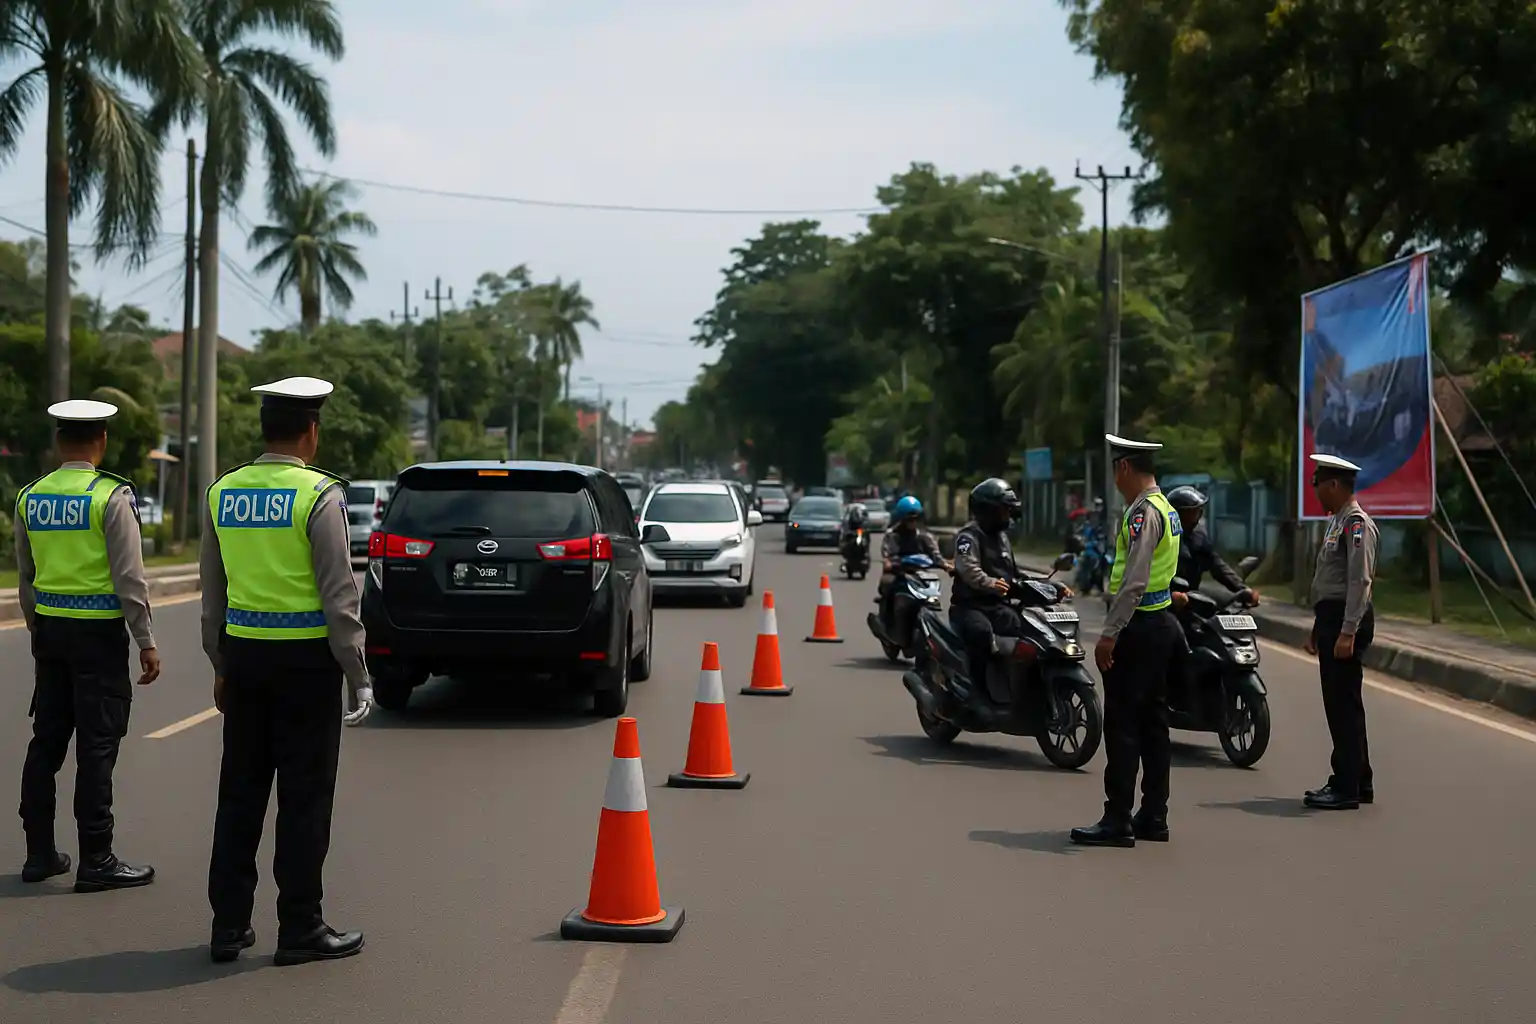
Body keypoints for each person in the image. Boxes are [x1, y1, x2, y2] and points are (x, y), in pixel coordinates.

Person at [201, 376, 374, 966]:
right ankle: (300, 927)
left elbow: (213, 591)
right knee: (303, 799)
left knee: (240, 791)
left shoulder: (223, 491)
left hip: (245, 657)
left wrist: (220, 662)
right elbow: (339, 594)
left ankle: (228, 926)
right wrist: (358, 670)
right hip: (306, 665)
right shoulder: (318, 495)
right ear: (311, 431)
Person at [14, 400, 161, 891]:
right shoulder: (110, 496)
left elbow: (27, 577)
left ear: (60, 442)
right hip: (98, 638)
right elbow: (129, 577)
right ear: (101, 440)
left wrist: (39, 630)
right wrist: (145, 640)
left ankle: (38, 853)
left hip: (51, 633)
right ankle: (96, 858)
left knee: (47, 740)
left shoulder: (30, 496)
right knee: (97, 747)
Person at [1071, 435, 1184, 848]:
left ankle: (1117, 818)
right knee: (1154, 724)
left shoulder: (1142, 514)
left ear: (1123, 468)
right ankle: (1154, 815)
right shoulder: (1167, 509)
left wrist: (1109, 634)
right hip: (1160, 624)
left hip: (1137, 628)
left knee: (1123, 725)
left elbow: (1133, 582)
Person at [1301, 453, 1379, 810]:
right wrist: (1321, 627)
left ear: (1334, 485)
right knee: (1346, 702)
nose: (1314, 490)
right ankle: (1359, 779)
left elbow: (1359, 580)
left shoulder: (1356, 523)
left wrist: (1348, 631)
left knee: (1341, 706)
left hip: (1349, 621)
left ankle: (1345, 785)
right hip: (1334, 619)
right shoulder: (1338, 521)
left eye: (1317, 483)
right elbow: (1331, 581)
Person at [949, 479, 1068, 693]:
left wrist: (1052, 585)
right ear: (988, 511)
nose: (1008, 516)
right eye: (1004, 510)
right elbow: (968, 569)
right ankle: (976, 691)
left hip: (999, 607)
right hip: (970, 608)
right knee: (982, 635)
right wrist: (990, 583)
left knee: (1036, 632)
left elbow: (1016, 573)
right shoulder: (968, 537)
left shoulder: (1002, 538)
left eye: (1008, 510)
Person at [1165, 485, 1258, 606]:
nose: (1199, 515)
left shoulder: (1198, 536)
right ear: (1178, 513)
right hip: (1164, 602)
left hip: (1191, 597)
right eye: (1193, 511)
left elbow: (1216, 564)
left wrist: (1242, 589)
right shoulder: (1161, 537)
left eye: (1199, 510)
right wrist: (1169, 595)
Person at [878, 496, 948, 621]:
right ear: (902, 519)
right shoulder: (892, 535)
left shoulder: (925, 536)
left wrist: (947, 566)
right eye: (909, 519)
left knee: (933, 587)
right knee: (887, 583)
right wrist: (891, 563)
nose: (913, 522)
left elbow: (936, 555)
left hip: (920, 574)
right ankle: (887, 618)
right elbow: (887, 556)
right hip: (899, 573)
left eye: (915, 519)